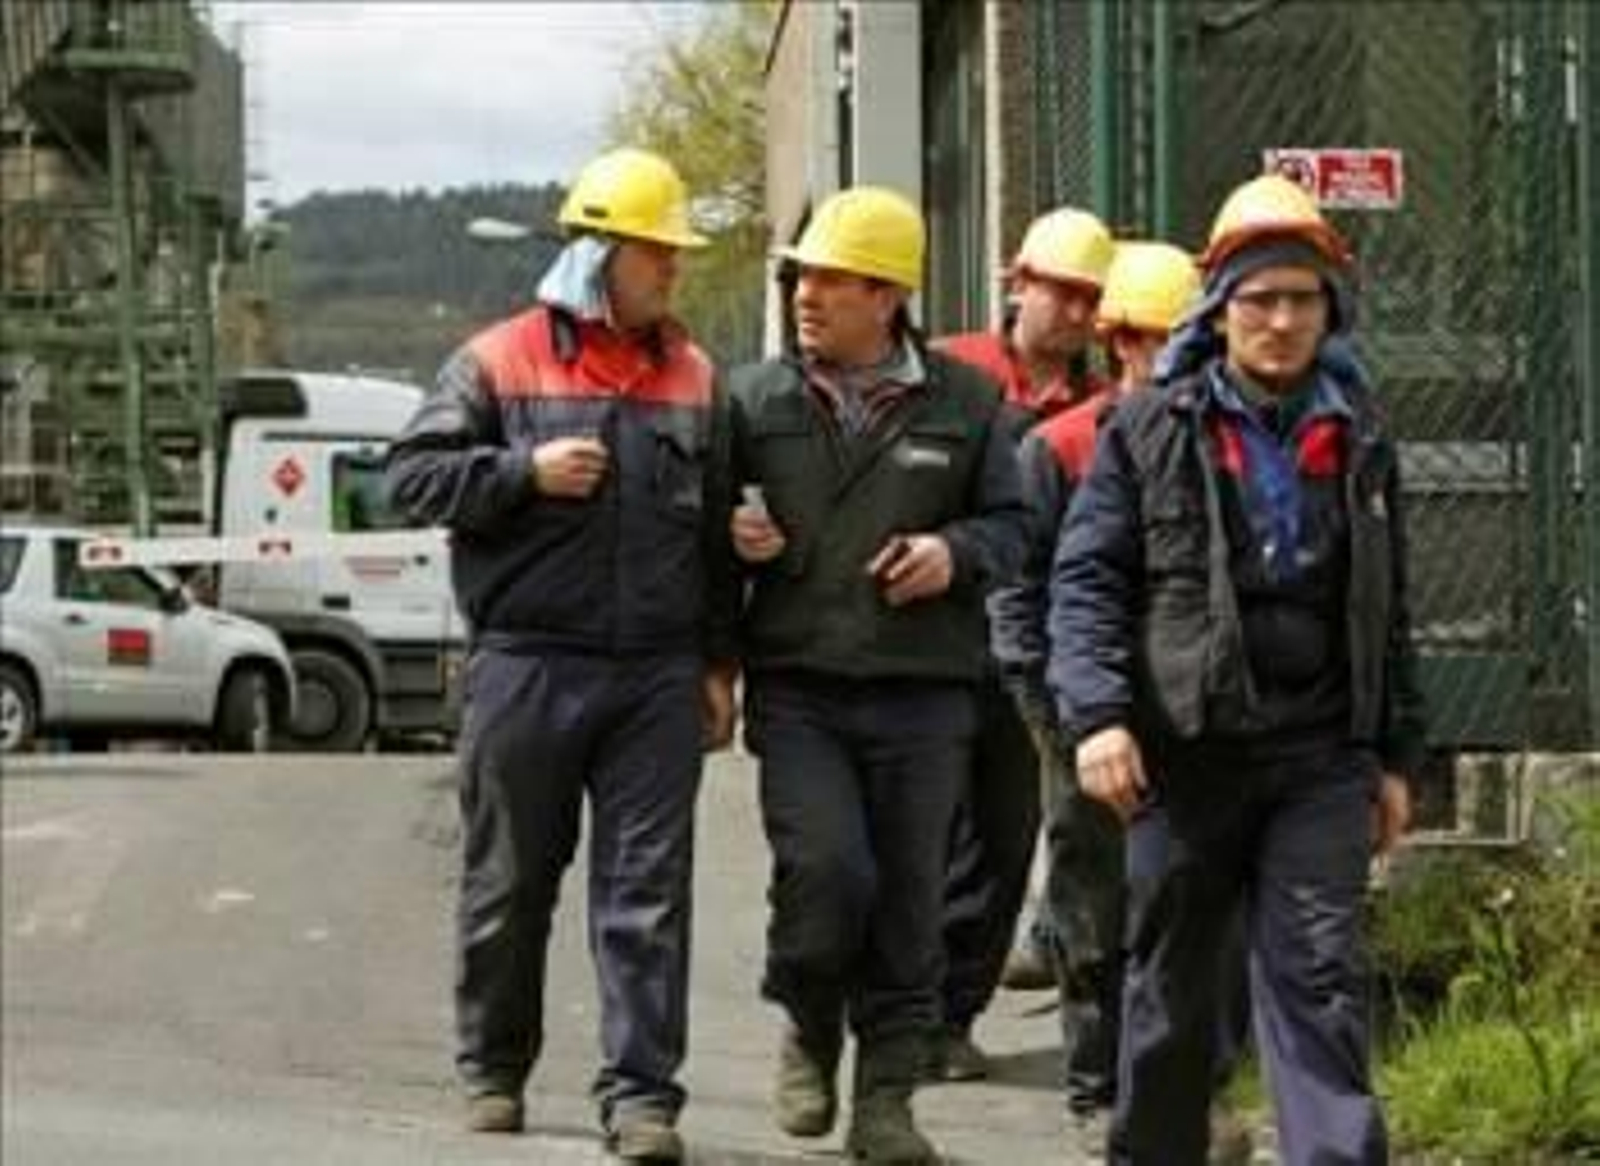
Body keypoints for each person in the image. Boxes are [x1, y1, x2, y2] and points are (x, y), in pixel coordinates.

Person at [1048, 174, 1426, 1165]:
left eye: (1302, 298)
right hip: (1183, 757)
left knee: (1320, 980)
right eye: (1260, 298)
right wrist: (1098, 719)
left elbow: (1390, 607)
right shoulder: (1149, 431)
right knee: (1170, 999)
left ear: (1327, 310)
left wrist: (1393, 756)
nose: (1283, 318)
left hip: (1318, 757)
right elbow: (1084, 583)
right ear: (1219, 312)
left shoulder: (1361, 431)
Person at [384, 146, 738, 1164]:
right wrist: (520, 472)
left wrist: (719, 664)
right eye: (655, 253)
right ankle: (492, 1068)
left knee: (646, 891)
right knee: (510, 881)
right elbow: (410, 479)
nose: (671, 270)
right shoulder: (496, 361)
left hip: (654, 673)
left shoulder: (695, 373)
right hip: (527, 661)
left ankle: (641, 1099)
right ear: (599, 254)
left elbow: (714, 533)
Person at [726, 185, 1029, 1163]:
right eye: (802, 277)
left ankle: (887, 1099)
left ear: (888, 294)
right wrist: (737, 541)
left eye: (832, 280)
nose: (807, 296)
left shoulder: (970, 403)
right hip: (802, 682)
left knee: (908, 898)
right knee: (825, 872)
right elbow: (698, 533)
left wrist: (953, 553)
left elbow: (1018, 527)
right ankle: (810, 1021)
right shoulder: (753, 400)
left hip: (926, 688)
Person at [932, 208, 1117, 1069]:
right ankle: (898, 1009)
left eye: (1092, 300)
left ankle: (947, 1021)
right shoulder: (950, 373)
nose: (1078, 315)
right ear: (1019, 284)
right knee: (925, 834)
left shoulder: (1098, 405)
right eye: (1065, 294)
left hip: (1036, 651)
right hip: (939, 636)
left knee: (1003, 840)